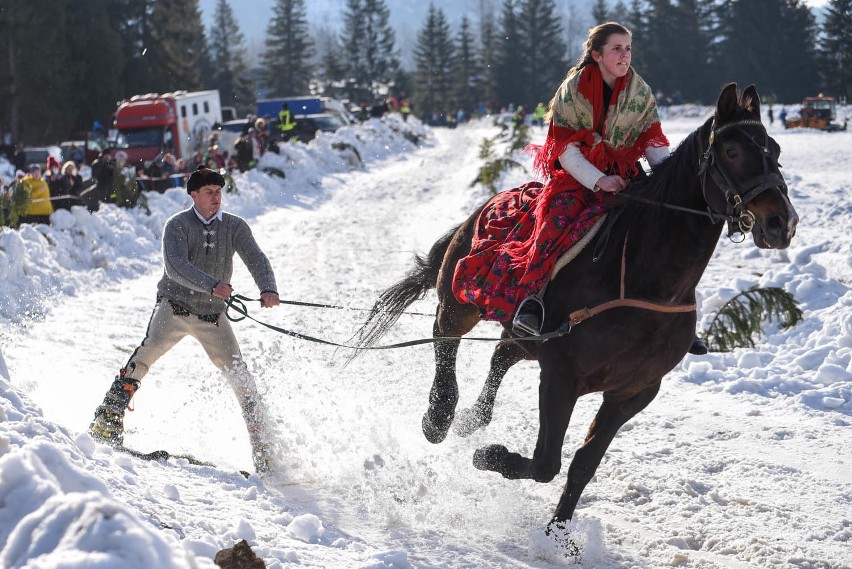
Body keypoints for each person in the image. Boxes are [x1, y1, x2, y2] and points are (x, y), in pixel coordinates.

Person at [453, 22, 670, 337]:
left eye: (628, 48)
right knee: (555, 223)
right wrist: (599, 181)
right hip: (577, 180)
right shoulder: (573, 92)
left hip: (625, 176)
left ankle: (668, 310)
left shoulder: (640, 93)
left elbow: (653, 141)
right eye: (617, 48)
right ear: (597, 54)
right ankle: (532, 300)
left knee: (659, 225)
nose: (625, 55)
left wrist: (667, 178)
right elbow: (565, 150)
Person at [88, 166, 282, 473]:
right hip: (173, 308)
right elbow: (175, 266)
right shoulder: (176, 226)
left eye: (219, 192)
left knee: (241, 378)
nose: (216, 198)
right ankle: (107, 420)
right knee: (143, 358)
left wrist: (268, 287)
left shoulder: (235, 226)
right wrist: (212, 285)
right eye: (209, 193)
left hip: (212, 317)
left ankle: (266, 455)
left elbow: (255, 258)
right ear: (194, 195)